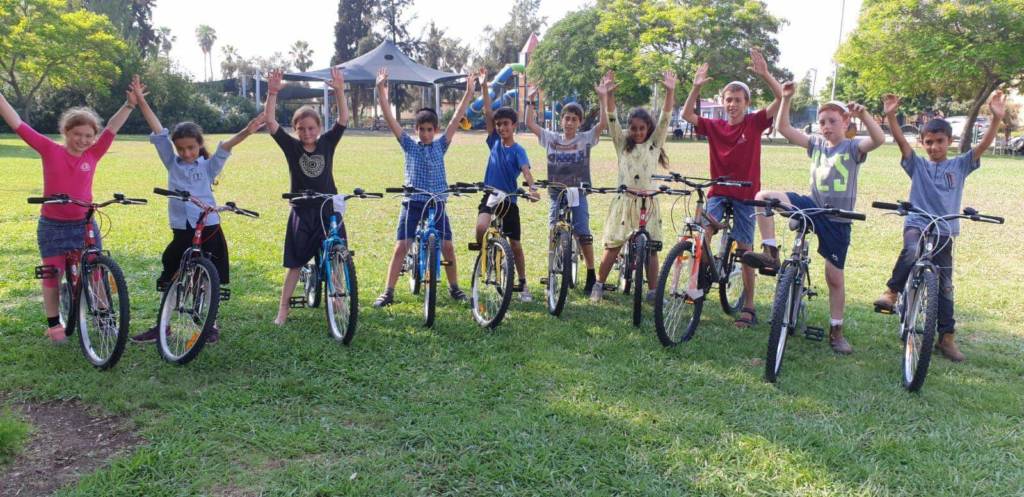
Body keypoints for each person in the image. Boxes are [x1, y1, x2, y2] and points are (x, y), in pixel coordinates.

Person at [742, 83, 886, 354]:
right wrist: (785, 99)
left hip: (838, 218)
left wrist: (865, 114)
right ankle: (771, 252)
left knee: (834, 277)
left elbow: (878, 140)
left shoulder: (854, 147)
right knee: (763, 196)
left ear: (845, 122)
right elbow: (784, 128)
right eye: (822, 122)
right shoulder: (816, 144)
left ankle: (836, 330)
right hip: (813, 206)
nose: (827, 126)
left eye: (833, 121)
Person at [128, 75, 265, 343]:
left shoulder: (208, 166)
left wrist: (248, 131)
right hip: (182, 228)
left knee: (208, 276)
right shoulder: (172, 163)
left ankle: (208, 323)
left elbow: (226, 146)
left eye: (191, 148)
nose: (187, 153)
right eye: (181, 149)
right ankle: (163, 325)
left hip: (209, 225)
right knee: (172, 271)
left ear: (199, 145)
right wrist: (141, 101)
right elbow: (158, 131)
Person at [872, 90, 1006, 362]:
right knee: (911, 251)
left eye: (939, 141)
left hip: (945, 230)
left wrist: (996, 119)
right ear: (922, 143)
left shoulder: (960, 165)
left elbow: (982, 147)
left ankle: (946, 338)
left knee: (945, 287)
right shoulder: (917, 166)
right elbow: (900, 142)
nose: (934, 147)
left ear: (950, 141)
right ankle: (892, 291)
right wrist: (890, 116)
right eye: (929, 142)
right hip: (918, 223)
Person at [0, 85, 136, 342]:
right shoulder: (50, 150)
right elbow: (18, 124)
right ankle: (54, 323)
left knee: (96, 272)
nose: (83, 140)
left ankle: (104, 319)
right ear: (65, 132)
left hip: (84, 224)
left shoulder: (94, 153)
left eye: (88, 135)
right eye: (77, 134)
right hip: (52, 225)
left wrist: (129, 105)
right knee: (53, 272)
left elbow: (111, 129)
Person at [679, 48, 783, 328]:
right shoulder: (714, 126)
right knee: (703, 231)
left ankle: (749, 305)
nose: (732, 104)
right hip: (719, 191)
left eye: (737, 100)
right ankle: (698, 282)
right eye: (728, 100)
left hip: (747, 195)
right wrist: (696, 86)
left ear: (746, 102)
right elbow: (687, 113)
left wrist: (765, 74)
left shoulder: (754, 122)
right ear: (723, 102)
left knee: (745, 248)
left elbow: (779, 97)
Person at [372, 67, 475, 308]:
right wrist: (381, 90)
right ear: (416, 130)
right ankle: (388, 291)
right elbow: (390, 118)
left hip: (437, 203)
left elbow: (456, 117)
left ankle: (454, 287)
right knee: (401, 247)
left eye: (430, 129)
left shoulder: (441, 145)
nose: (426, 133)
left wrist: (469, 92)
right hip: (413, 202)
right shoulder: (409, 145)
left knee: (447, 247)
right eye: (422, 129)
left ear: (435, 130)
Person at [263, 67, 349, 326]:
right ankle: (283, 310)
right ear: (296, 130)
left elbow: (343, 118)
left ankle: (338, 298)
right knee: (296, 263)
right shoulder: (292, 147)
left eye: (311, 128)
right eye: (301, 129)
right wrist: (272, 92)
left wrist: (339, 91)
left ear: (319, 128)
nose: (307, 133)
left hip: (327, 208)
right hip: (302, 210)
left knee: (337, 255)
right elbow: (270, 122)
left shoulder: (327, 143)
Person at [590, 70, 676, 303]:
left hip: (649, 203)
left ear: (648, 128)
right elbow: (612, 118)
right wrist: (608, 95)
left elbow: (666, 117)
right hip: (625, 202)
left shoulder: (654, 144)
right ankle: (599, 283)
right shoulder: (622, 144)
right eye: (634, 128)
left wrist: (670, 91)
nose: (638, 132)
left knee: (651, 249)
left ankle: (653, 291)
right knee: (614, 246)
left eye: (642, 128)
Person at [524, 72, 612, 294]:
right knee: (553, 230)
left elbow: (603, 123)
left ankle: (591, 273)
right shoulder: (551, 138)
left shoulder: (585, 139)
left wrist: (603, 97)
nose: (570, 122)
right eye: (567, 118)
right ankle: (553, 270)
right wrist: (531, 99)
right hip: (556, 192)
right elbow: (528, 122)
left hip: (578, 191)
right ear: (561, 120)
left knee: (582, 231)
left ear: (579, 122)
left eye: (574, 118)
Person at [474, 68, 539, 302]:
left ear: (514, 126)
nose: (502, 128)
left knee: (516, 244)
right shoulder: (493, 141)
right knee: (481, 228)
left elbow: (526, 171)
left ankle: (522, 283)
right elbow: (487, 111)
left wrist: (532, 188)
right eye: (499, 124)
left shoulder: (519, 149)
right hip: (490, 195)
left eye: (506, 124)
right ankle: (487, 258)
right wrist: (483, 86)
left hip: (510, 199)